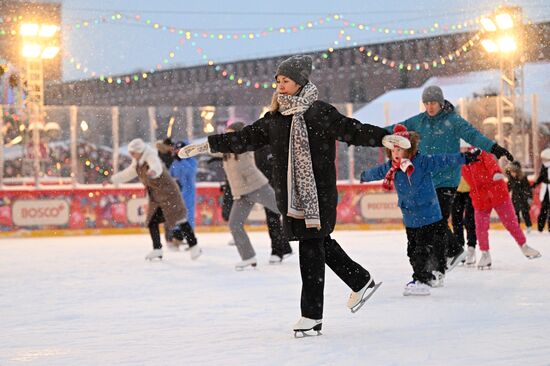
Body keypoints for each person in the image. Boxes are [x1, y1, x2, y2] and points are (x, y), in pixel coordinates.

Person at [178, 55, 388, 336]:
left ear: (300, 82)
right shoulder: (275, 119)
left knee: (311, 247)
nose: (280, 86)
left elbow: (352, 130)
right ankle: (360, 280)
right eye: (277, 81)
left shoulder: (320, 113)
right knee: (319, 241)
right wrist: (208, 145)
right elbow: (244, 138)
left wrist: (384, 137)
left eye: (285, 80)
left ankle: (312, 315)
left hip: (319, 193)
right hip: (291, 196)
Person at [386, 85, 515, 271]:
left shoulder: (452, 121)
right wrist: (367, 135)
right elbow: (392, 131)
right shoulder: (418, 122)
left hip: (447, 179)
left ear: (441, 103)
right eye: (427, 103)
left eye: (434, 103)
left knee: (436, 221)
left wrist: (494, 148)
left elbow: (473, 135)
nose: (430, 107)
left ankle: (441, 265)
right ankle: (451, 252)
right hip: (426, 180)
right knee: (431, 222)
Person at [361, 125, 480, 296]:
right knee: (412, 250)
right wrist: (364, 176)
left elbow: (444, 160)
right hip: (410, 218)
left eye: (400, 148)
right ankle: (427, 276)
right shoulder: (391, 168)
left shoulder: (422, 162)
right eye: (394, 149)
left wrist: (465, 157)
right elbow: (376, 172)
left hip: (428, 216)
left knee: (423, 249)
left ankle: (421, 279)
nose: (396, 152)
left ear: (409, 149)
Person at [110, 138, 201, 261]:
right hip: (157, 197)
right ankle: (157, 249)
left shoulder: (151, 156)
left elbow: (156, 166)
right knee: (152, 222)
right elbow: (128, 173)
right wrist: (113, 179)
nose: (131, 155)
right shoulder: (137, 162)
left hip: (169, 195)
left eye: (133, 152)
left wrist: (153, 172)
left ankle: (194, 246)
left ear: (140, 150)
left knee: (180, 220)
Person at [461, 147, 541, 269]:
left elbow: (491, 162)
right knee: (480, 227)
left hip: (496, 191)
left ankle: (524, 246)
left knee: (510, 222)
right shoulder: (460, 160)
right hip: (480, 197)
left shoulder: (481, 154)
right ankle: (485, 253)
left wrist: (496, 172)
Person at [254, 143, 294, 263]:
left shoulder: (278, 145)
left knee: (275, 219)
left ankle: (279, 250)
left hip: (281, 187)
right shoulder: (256, 148)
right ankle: (281, 249)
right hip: (267, 189)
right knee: (272, 219)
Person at [452, 140, 477, 266]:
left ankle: (471, 248)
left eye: (464, 148)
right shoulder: (453, 157)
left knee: (470, 220)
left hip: (471, 192)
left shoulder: (473, 158)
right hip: (456, 192)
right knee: (456, 221)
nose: (462, 150)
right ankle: (459, 249)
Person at [170, 140, 198, 228]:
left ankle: (188, 234)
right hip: (177, 192)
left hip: (188, 192)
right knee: (177, 214)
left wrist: (182, 161)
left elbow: (191, 172)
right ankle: (177, 234)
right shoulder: (175, 162)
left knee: (188, 213)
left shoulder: (191, 161)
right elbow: (170, 175)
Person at [506, 161, 533, 233]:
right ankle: (517, 227)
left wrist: (529, 197)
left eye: (513, 172)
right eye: (511, 172)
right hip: (515, 198)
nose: (512, 173)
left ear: (517, 171)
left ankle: (528, 226)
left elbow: (528, 189)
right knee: (515, 213)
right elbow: (507, 188)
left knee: (525, 213)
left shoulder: (523, 178)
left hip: (523, 198)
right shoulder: (511, 179)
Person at [532, 148, 550, 233]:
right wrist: (534, 185)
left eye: (545, 158)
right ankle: (540, 227)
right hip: (545, 189)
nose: (543, 160)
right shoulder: (544, 166)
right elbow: (541, 177)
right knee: (544, 209)